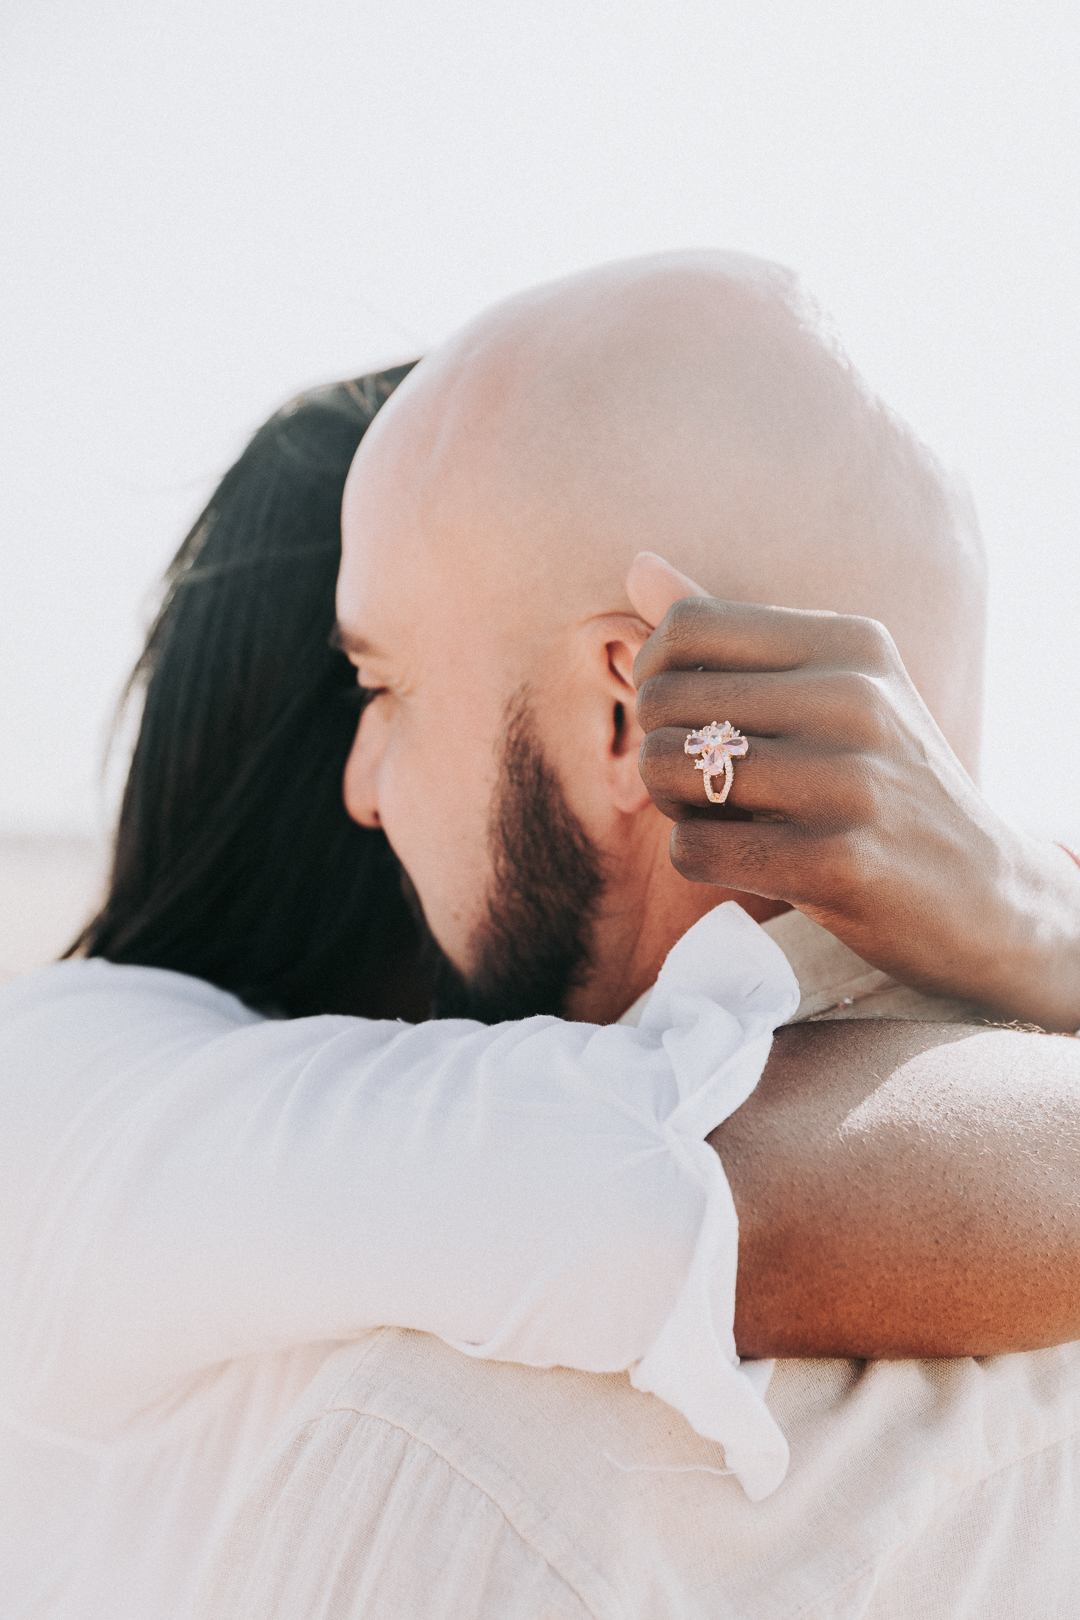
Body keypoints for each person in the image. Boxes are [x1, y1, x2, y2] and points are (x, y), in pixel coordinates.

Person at [3, 266, 1078, 1620]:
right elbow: (698, 1174)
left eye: (388, 686)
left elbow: (691, 1176)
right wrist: (1034, 924)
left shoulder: (460, 1462)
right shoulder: (77, 1100)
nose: (365, 780)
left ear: (621, 714)